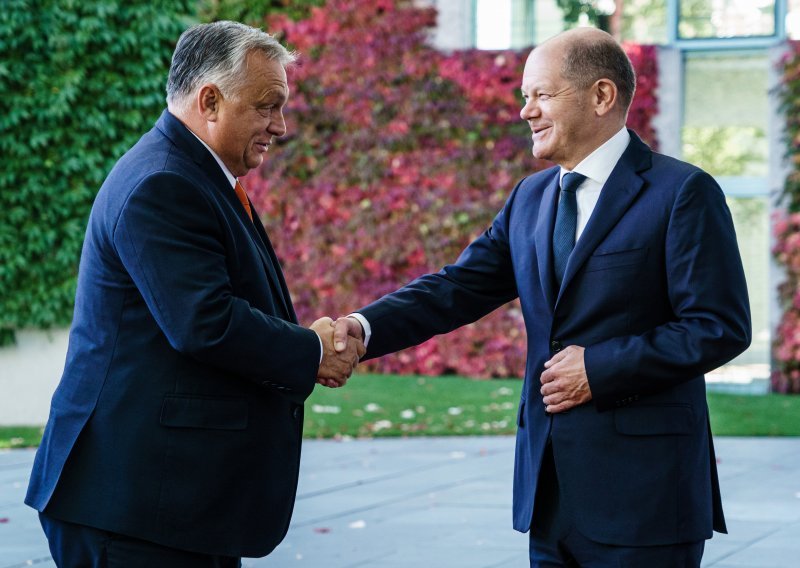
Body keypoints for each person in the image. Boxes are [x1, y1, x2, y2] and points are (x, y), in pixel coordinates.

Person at [332, 27, 751, 567]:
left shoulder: (682, 194)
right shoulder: (530, 198)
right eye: (523, 96)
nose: (525, 111)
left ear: (602, 96)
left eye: (541, 94)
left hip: (645, 498)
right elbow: (456, 288)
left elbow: (718, 326)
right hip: (548, 497)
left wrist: (598, 368)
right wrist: (362, 330)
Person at [25, 21, 363, 567]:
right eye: (267, 106)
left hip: (162, 506)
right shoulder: (164, 183)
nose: (280, 126)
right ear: (210, 100)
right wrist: (313, 350)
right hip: (134, 510)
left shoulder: (191, 175)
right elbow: (204, 322)